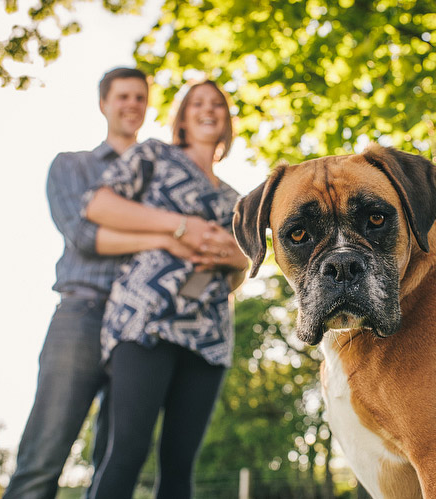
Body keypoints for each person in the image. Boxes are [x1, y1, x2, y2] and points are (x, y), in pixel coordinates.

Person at [3, 67, 213, 499]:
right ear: (104, 103)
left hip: (138, 323)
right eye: (123, 97)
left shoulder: (160, 169)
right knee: (44, 455)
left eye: (140, 97)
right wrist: (169, 234)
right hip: (82, 313)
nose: (132, 105)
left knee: (115, 460)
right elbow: (83, 234)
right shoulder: (72, 165)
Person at [82, 81, 248, 499]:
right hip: (145, 319)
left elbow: (237, 275)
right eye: (198, 104)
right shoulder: (154, 155)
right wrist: (177, 228)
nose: (209, 110)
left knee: (179, 466)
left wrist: (237, 259)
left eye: (218, 105)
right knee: (127, 452)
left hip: (207, 334)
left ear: (227, 121)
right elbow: (98, 206)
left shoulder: (237, 199)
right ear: (183, 117)